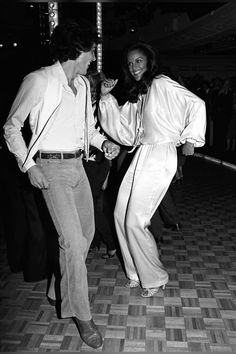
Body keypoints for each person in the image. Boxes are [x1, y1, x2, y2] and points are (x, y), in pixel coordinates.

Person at [3, 19, 120, 349]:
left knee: (86, 236)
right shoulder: (38, 80)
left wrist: (103, 143)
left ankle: (58, 286)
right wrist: (28, 165)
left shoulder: (83, 85)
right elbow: (12, 126)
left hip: (77, 167)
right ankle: (81, 314)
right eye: (91, 50)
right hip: (49, 168)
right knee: (70, 240)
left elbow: (89, 130)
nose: (94, 56)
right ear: (78, 49)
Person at [98, 42, 206, 298]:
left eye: (138, 61)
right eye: (130, 62)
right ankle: (136, 271)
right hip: (143, 153)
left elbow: (196, 103)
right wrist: (105, 98)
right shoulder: (140, 93)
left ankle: (155, 277)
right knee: (119, 213)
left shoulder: (161, 82)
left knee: (136, 219)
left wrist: (191, 138)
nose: (134, 66)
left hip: (161, 154)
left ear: (149, 61)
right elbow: (124, 129)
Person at [83, 70, 117, 258]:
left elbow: (107, 136)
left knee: (90, 205)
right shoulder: (90, 105)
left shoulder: (99, 107)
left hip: (95, 161)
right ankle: (97, 242)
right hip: (94, 161)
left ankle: (110, 243)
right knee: (91, 204)